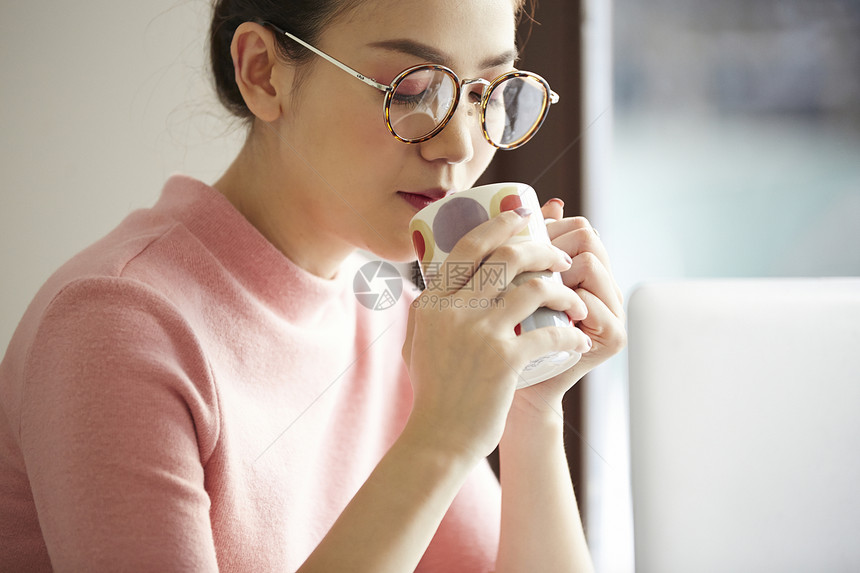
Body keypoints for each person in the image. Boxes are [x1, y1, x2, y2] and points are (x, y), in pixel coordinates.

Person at [0, 0, 625, 570]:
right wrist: (441, 437)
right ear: (263, 72)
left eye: (489, 92)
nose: (460, 143)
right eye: (414, 89)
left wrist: (531, 404)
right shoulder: (113, 326)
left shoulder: (400, 314)